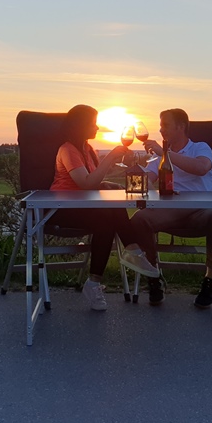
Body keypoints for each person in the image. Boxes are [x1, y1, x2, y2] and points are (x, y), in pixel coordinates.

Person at [51, 104, 159, 311]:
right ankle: (133, 252)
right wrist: (111, 157)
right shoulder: (67, 150)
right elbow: (85, 184)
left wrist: (106, 185)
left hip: (84, 207)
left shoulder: (87, 149)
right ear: (81, 125)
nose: (97, 127)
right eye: (93, 123)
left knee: (107, 217)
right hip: (62, 208)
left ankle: (95, 281)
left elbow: (92, 181)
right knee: (107, 215)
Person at [136, 108, 212, 308]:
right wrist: (133, 167)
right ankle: (153, 277)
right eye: (160, 126)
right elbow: (145, 183)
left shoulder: (200, 148)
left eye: (165, 125)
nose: (161, 130)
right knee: (139, 219)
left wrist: (164, 153)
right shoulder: (157, 158)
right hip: (169, 213)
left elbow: (201, 168)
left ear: (181, 126)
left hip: (200, 211)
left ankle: (210, 280)